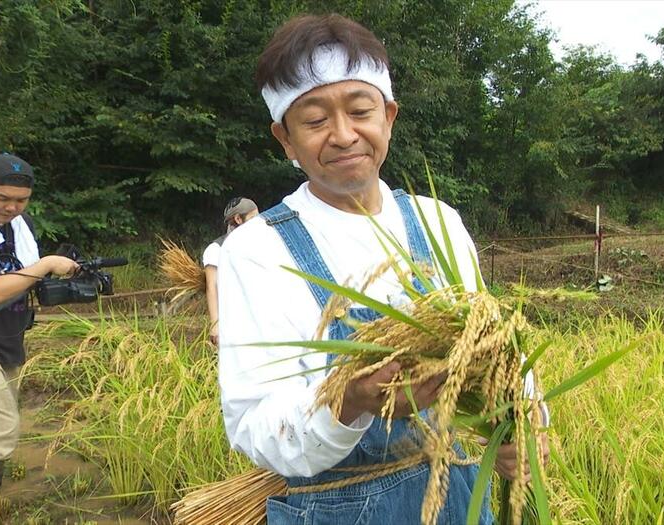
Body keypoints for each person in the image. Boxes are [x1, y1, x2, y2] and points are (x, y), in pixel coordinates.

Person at [217, 14, 543, 524]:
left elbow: (496, 349)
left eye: (360, 110)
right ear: (285, 138)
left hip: (458, 496)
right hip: (337, 509)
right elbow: (255, 427)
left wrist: (520, 424)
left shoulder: (438, 221)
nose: (344, 135)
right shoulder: (258, 249)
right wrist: (349, 400)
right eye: (316, 120)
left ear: (388, 115)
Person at [0, 153, 79, 523]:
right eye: (1, 198)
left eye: (20, 200)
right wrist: (44, 266)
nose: (12, 207)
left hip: (4, 339)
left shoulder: (18, 226)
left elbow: (20, 280)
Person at [201, 197, 259, 345]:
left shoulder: (258, 246)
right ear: (238, 219)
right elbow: (212, 287)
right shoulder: (216, 250)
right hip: (232, 320)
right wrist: (215, 326)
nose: (259, 222)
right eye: (254, 218)